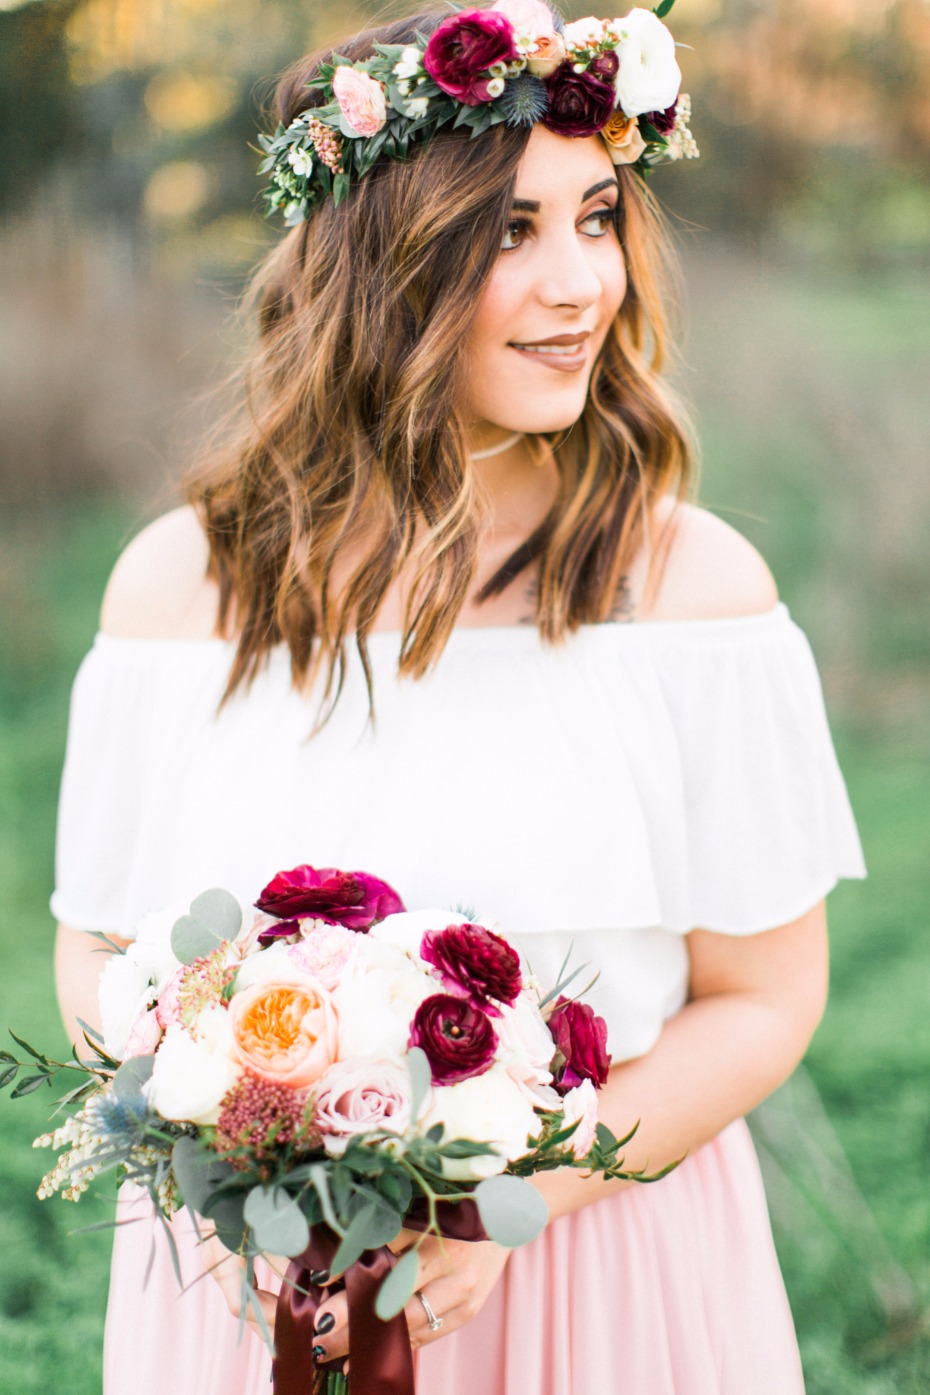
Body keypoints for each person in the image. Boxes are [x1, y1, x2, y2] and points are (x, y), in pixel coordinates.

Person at [51, 5, 866, 1392]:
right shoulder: (176, 594)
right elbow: (102, 959)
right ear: (379, 267)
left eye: (597, 219)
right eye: (509, 233)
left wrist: (522, 1201)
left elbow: (764, 998)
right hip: (254, 1291)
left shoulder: (689, 594)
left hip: (598, 1270)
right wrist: (241, 1152)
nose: (578, 285)